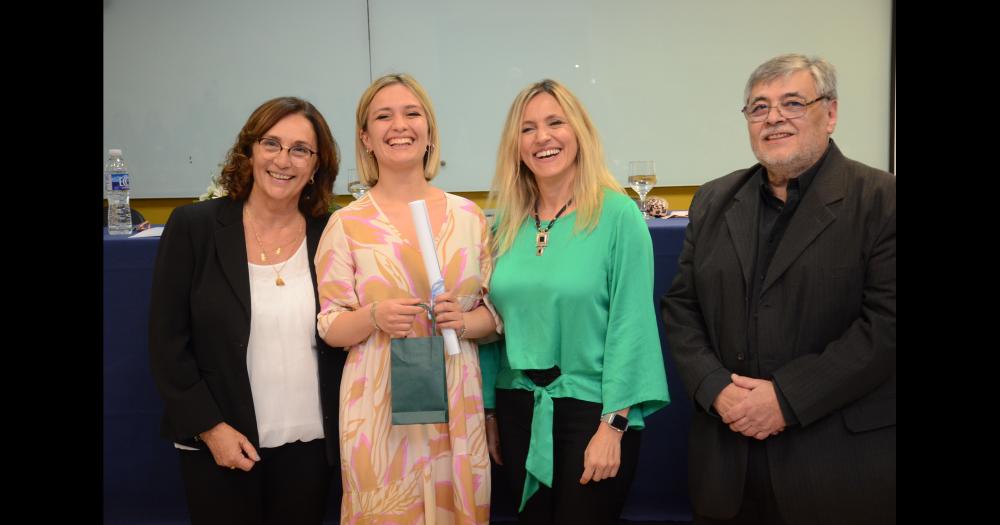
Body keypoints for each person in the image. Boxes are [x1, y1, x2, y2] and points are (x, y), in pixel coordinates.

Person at [662, 53, 896, 525]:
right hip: (727, 466)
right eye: (758, 107)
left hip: (838, 467)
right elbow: (681, 308)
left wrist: (786, 399)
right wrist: (715, 388)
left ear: (830, 113)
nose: (773, 118)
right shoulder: (713, 199)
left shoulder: (882, 200)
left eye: (792, 103)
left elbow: (886, 327)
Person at [148, 96, 345, 524]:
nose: (283, 160)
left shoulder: (333, 231)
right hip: (221, 442)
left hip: (311, 446)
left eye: (300, 150)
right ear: (250, 151)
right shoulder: (194, 227)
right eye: (271, 144)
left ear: (316, 166)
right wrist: (210, 428)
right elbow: (167, 344)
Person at [482, 78, 669, 524]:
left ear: (579, 132)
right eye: (527, 129)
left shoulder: (618, 215)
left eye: (554, 123)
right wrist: (490, 412)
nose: (542, 138)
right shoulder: (503, 225)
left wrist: (614, 426)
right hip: (517, 410)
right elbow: (492, 325)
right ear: (516, 145)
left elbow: (632, 325)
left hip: (593, 413)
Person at [314, 73, 496, 523]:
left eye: (412, 113)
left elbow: (495, 319)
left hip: (457, 396)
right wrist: (374, 316)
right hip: (377, 404)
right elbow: (331, 327)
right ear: (366, 138)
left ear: (429, 131)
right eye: (383, 116)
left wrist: (464, 322)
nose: (400, 125)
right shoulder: (346, 224)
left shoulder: (469, 217)